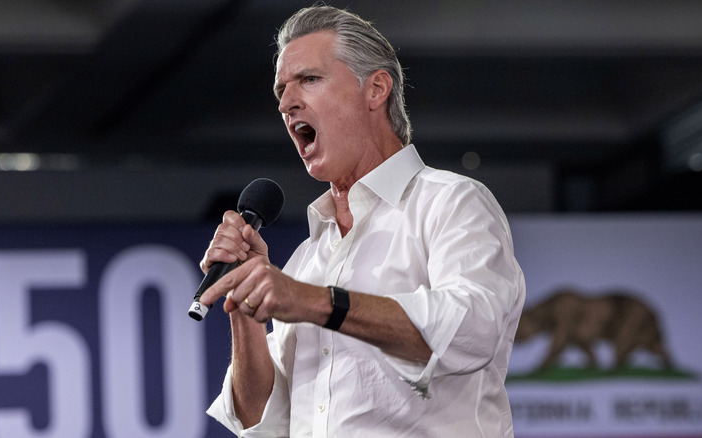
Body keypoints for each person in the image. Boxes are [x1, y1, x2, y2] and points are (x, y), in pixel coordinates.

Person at [200, 5, 525, 437]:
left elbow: (473, 332)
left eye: (310, 79)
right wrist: (243, 306)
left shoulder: (451, 203)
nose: (285, 102)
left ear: (376, 90)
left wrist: (314, 301)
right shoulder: (308, 258)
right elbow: (261, 420)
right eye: (281, 89)